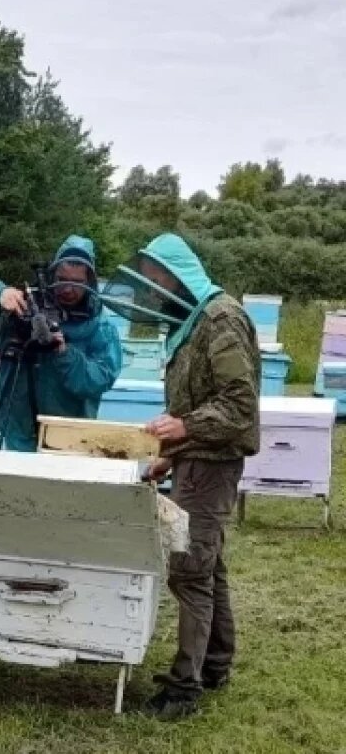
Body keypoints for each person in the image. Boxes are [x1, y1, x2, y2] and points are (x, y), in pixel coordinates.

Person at [104, 233, 261, 721]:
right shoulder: (193, 322)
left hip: (213, 464)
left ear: (176, 276)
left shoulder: (221, 320)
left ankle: (183, 688)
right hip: (196, 459)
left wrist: (185, 428)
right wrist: (170, 453)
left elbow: (239, 406)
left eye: (155, 281)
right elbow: (198, 400)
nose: (151, 291)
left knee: (190, 571)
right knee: (209, 567)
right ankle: (215, 664)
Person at [0, 234, 123, 451]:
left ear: (90, 282)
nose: (68, 289)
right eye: (63, 279)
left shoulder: (100, 327)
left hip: (68, 437)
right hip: (15, 429)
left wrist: (64, 353)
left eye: (78, 282)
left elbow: (99, 379)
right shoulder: (24, 305)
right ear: (53, 274)